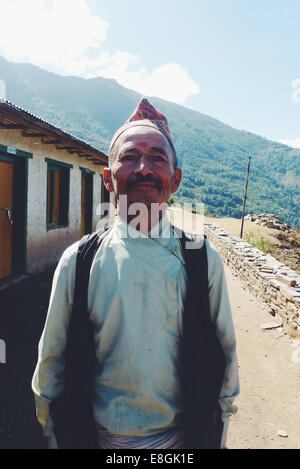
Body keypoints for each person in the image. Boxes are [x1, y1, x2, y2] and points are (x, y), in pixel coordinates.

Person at [32, 98, 239, 449]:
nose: (143, 167)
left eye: (157, 157)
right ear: (109, 179)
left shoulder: (202, 259)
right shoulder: (79, 262)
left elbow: (226, 358)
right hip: (95, 440)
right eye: (129, 157)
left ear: (175, 180)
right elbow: (51, 364)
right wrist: (55, 436)